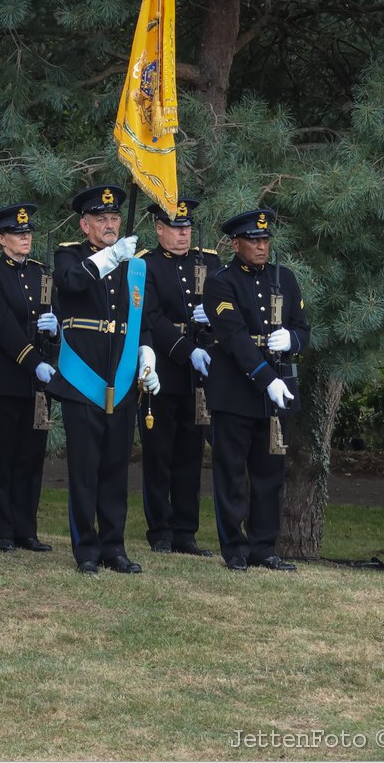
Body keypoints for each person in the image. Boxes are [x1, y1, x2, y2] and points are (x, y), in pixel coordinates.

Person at [45, 185, 159, 575]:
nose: (110, 225)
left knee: (115, 467)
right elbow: (72, 283)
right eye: (101, 219)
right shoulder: (71, 255)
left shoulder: (135, 265)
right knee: (85, 468)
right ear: (85, 224)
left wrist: (148, 354)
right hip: (83, 374)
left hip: (122, 375)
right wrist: (110, 257)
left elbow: (141, 320)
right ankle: (86, 549)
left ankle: (114, 547)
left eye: (114, 219)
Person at [203, 209, 309, 572]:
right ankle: (235, 549)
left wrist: (292, 339)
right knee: (231, 474)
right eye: (254, 240)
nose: (262, 246)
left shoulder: (286, 279)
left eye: (265, 240)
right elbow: (233, 337)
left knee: (269, 475)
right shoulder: (221, 282)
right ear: (236, 244)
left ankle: (264, 547)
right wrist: (268, 379)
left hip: (274, 396)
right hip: (236, 392)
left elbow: (304, 329)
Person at [136, 198, 219, 557]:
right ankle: (161, 530)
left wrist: (212, 318)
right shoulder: (147, 265)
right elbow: (150, 317)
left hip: (199, 376)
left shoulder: (209, 262)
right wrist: (187, 349)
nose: (183, 234)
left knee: (190, 454)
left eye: (186, 228)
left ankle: (186, 530)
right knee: (159, 454)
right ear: (159, 229)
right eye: (175, 227)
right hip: (164, 369)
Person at [0, 203, 57, 554]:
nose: (26, 238)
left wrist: (55, 332)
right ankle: (3, 530)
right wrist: (34, 361)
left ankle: (27, 529)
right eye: (18, 234)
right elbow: (3, 327)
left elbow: (56, 314)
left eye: (28, 233)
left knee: (30, 456)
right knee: (3, 455)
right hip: (4, 375)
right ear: (1, 238)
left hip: (37, 381)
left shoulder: (42, 273)